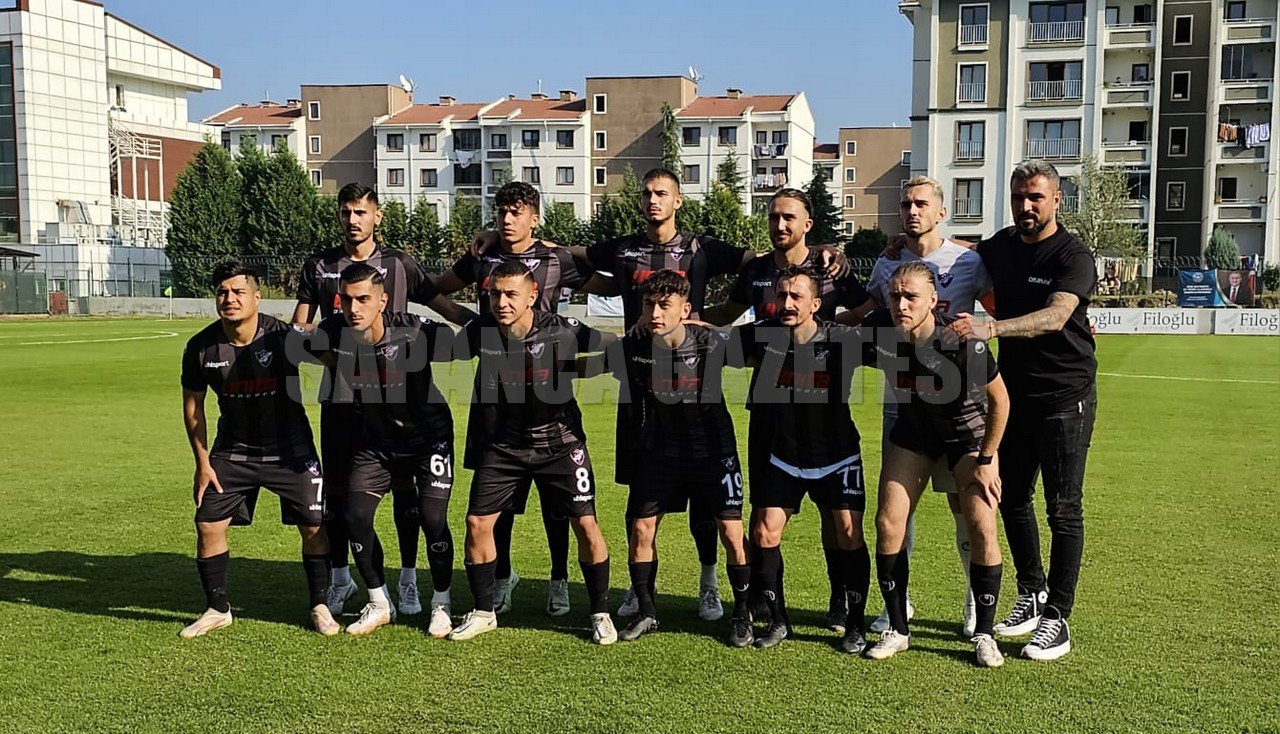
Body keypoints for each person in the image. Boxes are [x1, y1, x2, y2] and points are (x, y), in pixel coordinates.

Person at [292, 183, 471, 620]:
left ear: (377, 216)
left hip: (403, 400)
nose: (353, 220)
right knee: (341, 493)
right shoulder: (319, 265)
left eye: (361, 212)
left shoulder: (399, 264)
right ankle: (342, 579)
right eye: (346, 212)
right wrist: (340, 356)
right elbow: (300, 329)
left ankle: (408, 579)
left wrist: (491, 329)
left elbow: (443, 306)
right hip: (342, 398)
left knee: (409, 492)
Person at [433, 181, 608, 618]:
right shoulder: (482, 256)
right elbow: (435, 287)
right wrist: (469, 320)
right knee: (497, 499)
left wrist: (568, 248)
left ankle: (558, 579)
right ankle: (502, 575)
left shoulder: (556, 259)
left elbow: (611, 282)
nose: (507, 220)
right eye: (501, 212)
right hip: (495, 391)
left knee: (558, 501)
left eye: (516, 212)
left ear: (534, 217)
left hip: (549, 387)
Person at [699, 188, 870, 633]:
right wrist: (683, 318)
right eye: (773, 216)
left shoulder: (831, 267)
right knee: (765, 512)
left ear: (807, 224)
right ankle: (764, 599)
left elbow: (868, 309)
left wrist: (827, 332)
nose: (780, 225)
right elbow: (727, 314)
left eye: (789, 217)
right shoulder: (756, 269)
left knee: (837, 517)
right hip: (770, 408)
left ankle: (840, 597)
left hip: (823, 406)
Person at [950, 160, 1097, 661]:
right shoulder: (1003, 245)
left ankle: (1058, 616)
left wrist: (992, 328)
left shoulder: (1073, 255)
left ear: (1057, 199)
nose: (1026, 206)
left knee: (1063, 508)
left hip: (1066, 396)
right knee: (1011, 498)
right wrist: (904, 245)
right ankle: (1031, 593)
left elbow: (1056, 316)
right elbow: (966, 251)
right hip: (1016, 398)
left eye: (1035, 197)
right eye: (1018, 197)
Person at [850, 176, 994, 638]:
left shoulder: (968, 261)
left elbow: (996, 310)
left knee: (963, 507)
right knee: (897, 509)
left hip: (958, 409)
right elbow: (866, 316)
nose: (913, 211)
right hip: (902, 404)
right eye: (906, 204)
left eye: (922, 204)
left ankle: (973, 600)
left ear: (941, 212)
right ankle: (899, 605)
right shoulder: (887, 263)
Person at [447, 261, 618, 645]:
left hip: (560, 444)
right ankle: (484, 612)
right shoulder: (481, 330)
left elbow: (612, 346)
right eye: (495, 294)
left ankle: (600, 612)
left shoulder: (561, 329)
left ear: (532, 296)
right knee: (477, 523)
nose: (502, 302)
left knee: (585, 525)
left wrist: (575, 369)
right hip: (504, 447)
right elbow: (438, 349)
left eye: (511, 294)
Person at [858, 261, 1010, 667]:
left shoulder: (961, 341)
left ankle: (984, 633)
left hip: (966, 437)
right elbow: (829, 336)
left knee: (981, 525)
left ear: (932, 300)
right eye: (895, 296)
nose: (901, 304)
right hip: (913, 434)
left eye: (911, 297)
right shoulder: (880, 329)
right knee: (888, 522)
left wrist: (987, 459)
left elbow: (1001, 401)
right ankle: (897, 628)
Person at [179, 262, 337, 638]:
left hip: (290, 449)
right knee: (208, 524)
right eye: (222, 292)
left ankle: (320, 605)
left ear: (256, 297)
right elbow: (193, 407)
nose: (229, 299)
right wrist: (203, 463)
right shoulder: (201, 347)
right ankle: (217, 609)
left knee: (314, 526)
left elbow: (335, 361)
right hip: (233, 451)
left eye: (238, 292)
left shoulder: (283, 337)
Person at [595, 269, 752, 646]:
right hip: (660, 452)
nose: (655, 313)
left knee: (731, 532)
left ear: (685, 309)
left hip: (714, 451)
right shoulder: (633, 345)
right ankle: (647, 611)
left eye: (665, 305)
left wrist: (706, 325)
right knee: (641, 529)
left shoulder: (712, 342)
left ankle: (743, 613)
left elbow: (767, 344)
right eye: (649, 304)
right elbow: (591, 365)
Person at [729, 266, 872, 652]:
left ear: (816, 303)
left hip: (837, 456)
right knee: (764, 532)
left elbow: (898, 342)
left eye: (797, 296)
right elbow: (707, 339)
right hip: (785, 457)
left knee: (847, 532)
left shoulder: (843, 339)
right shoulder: (763, 335)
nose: (787, 303)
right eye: (782, 295)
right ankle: (779, 621)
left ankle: (855, 623)